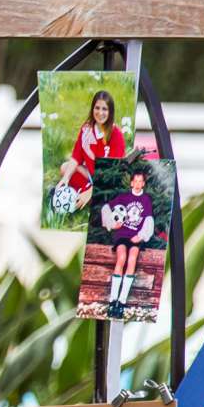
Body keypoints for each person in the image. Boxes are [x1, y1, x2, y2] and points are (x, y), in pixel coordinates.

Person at [94, 165, 159, 317]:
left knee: (132, 260)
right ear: (131, 183)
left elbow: (148, 220)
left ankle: (122, 301)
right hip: (122, 234)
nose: (137, 183)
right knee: (121, 258)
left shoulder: (146, 200)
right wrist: (112, 223)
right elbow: (106, 208)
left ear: (143, 183)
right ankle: (113, 299)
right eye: (135, 181)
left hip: (136, 236)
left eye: (140, 181)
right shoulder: (123, 197)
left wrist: (141, 235)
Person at [52, 88, 127, 217]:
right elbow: (76, 156)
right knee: (65, 168)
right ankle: (83, 196)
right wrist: (66, 178)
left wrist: (90, 192)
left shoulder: (116, 135)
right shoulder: (87, 129)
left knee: (108, 194)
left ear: (110, 112)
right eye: (97, 108)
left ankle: (91, 197)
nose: (100, 113)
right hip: (92, 176)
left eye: (104, 109)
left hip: (108, 181)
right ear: (92, 109)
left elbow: (113, 172)